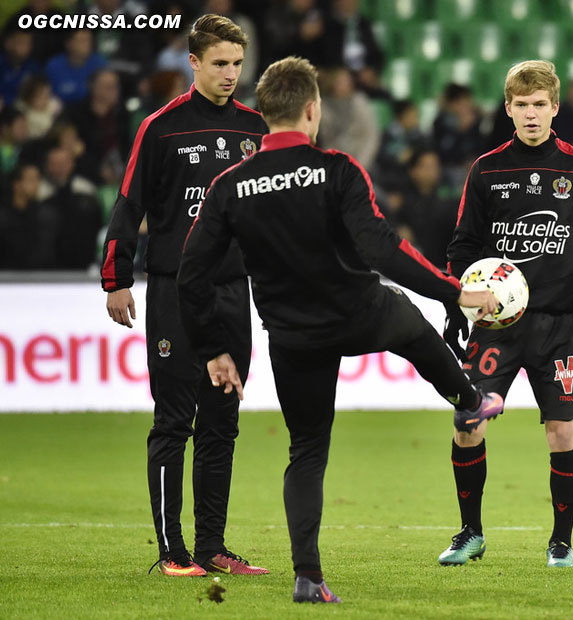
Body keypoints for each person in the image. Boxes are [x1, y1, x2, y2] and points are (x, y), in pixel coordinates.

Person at [175, 56, 503, 604]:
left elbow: (191, 276)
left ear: (262, 114)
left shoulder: (230, 185)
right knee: (413, 324)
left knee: (306, 451)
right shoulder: (337, 169)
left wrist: (213, 349)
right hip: (359, 312)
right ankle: (468, 399)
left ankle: (308, 577)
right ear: (312, 109)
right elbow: (383, 248)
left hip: (293, 335)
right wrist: (456, 291)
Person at [100, 14, 269, 578]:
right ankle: (171, 551)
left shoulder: (255, 128)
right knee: (175, 420)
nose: (230, 74)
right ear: (192, 63)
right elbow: (129, 205)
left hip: (232, 292)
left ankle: (211, 546)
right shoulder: (161, 127)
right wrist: (117, 277)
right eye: (219, 63)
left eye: (237, 64)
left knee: (223, 421)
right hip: (174, 290)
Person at [442, 60, 573, 568]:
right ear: (507, 109)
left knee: (562, 432)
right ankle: (470, 533)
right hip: (496, 324)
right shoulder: (486, 170)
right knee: (467, 422)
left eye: (539, 104)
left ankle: (561, 543)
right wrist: (460, 298)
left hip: (558, 325)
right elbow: (461, 247)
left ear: (555, 108)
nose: (530, 114)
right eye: (521, 105)